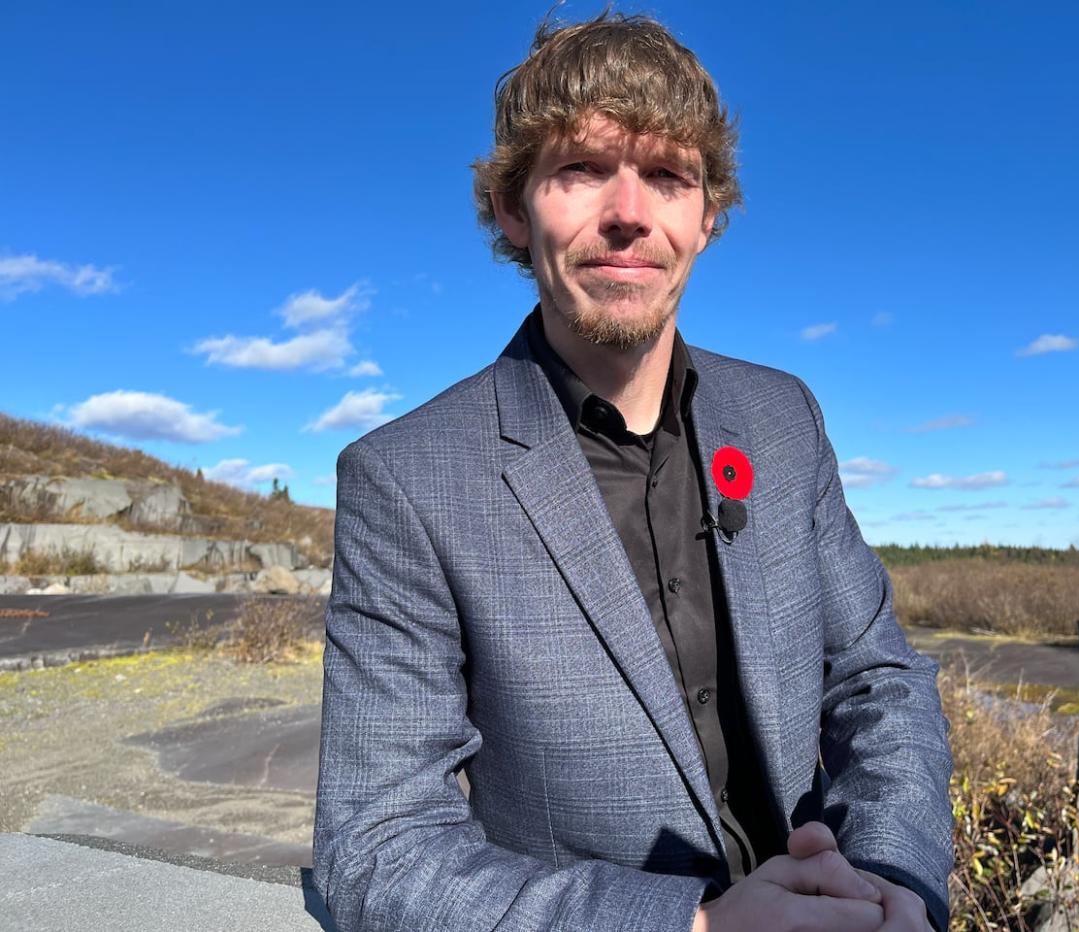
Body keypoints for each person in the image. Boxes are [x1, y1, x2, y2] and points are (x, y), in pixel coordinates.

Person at [314, 11, 953, 932]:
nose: (628, 212)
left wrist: (893, 882)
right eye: (579, 168)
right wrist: (696, 928)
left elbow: (877, 678)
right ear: (510, 205)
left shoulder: (783, 419)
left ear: (705, 217)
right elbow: (376, 848)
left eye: (667, 176)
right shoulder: (406, 479)